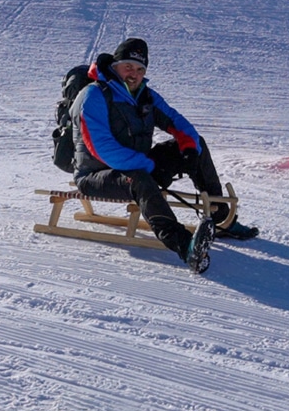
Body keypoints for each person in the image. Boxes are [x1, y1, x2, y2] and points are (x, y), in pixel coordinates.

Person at [69, 38, 258, 271]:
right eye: (128, 66)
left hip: (139, 167)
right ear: (114, 66)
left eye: (140, 69)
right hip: (95, 175)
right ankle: (185, 245)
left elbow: (176, 121)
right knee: (138, 179)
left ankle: (220, 218)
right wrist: (147, 166)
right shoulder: (93, 95)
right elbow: (101, 147)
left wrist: (188, 149)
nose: (134, 74)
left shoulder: (145, 95)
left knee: (196, 144)